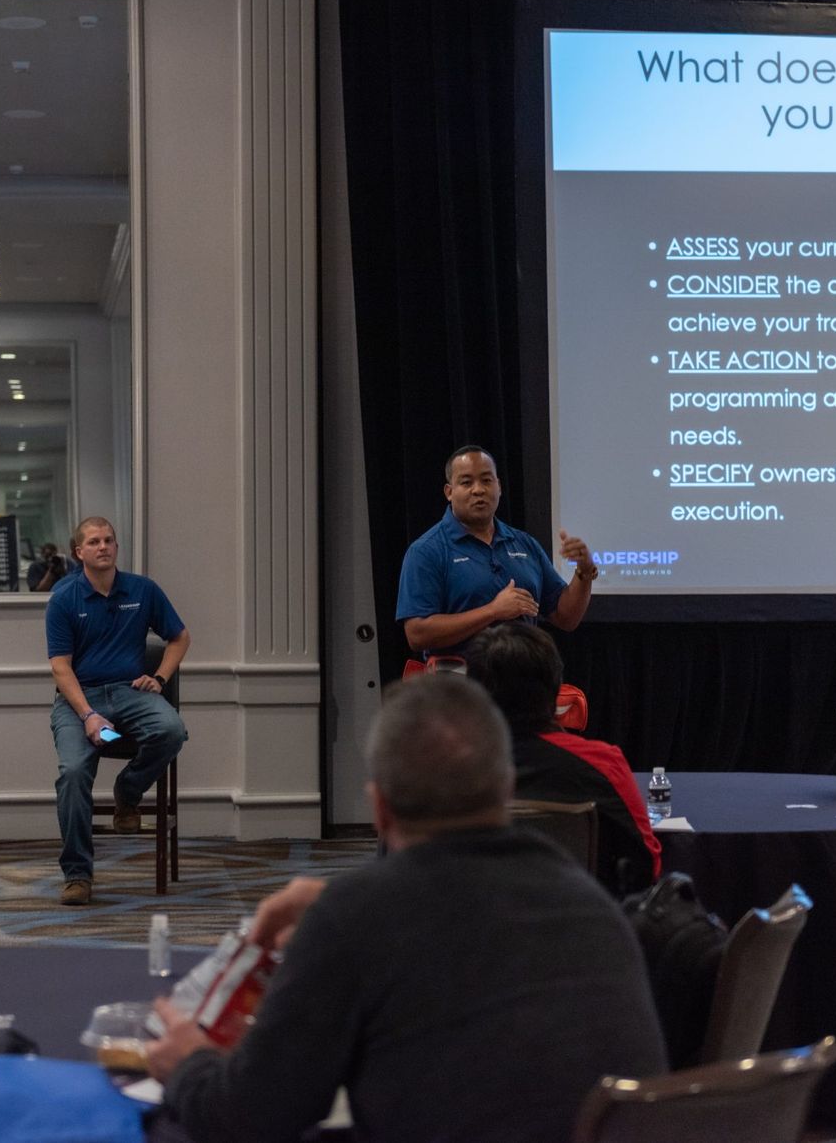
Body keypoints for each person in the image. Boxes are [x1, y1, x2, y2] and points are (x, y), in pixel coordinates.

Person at [144, 673, 664, 1143]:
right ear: (505, 790)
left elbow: (246, 1119)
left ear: (379, 808)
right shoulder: (590, 904)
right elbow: (461, 922)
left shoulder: (357, 920)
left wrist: (189, 1063)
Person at [44, 516, 189, 906]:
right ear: (79, 552)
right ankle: (77, 874)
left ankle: (127, 792)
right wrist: (89, 715)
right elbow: (61, 667)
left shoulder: (142, 590)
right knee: (73, 772)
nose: (103, 546)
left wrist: (158, 678)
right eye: (93, 542)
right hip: (79, 701)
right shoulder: (64, 597)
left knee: (171, 730)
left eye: (109, 540)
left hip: (129, 694)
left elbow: (179, 637)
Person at [464, 621, 660, 894]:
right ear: (556, 690)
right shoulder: (601, 763)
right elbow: (648, 865)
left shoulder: (444, 772)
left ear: (473, 696)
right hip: (582, 928)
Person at [395, 445, 598, 657]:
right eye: (466, 482)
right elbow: (417, 634)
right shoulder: (426, 551)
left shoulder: (524, 543)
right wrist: (492, 611)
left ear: (499, 487)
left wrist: (584, 572)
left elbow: (566, 618)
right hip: (460, 683)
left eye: (486, 480)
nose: (478, 490)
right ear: (449, 492)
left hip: (523, 679)